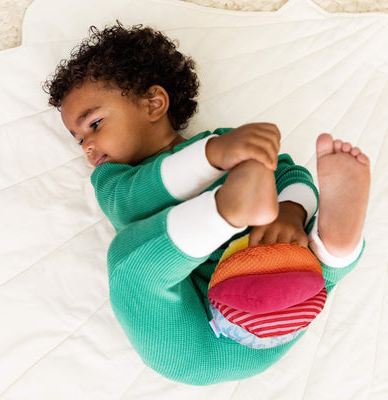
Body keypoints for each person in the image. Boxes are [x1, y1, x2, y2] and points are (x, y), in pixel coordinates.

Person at [43, 23, 370, 385]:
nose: (88, 145)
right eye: (78, 140)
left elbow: (290, 174)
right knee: (131, 261)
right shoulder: (115, 181)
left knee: (131, 265)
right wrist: (213, 156)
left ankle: (332, 250)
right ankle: (318, 247)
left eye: (95, 123)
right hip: (198, 340)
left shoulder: (231, 143)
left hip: (278, 298)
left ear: (154, 103)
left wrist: (292, 215)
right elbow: (129, 207)